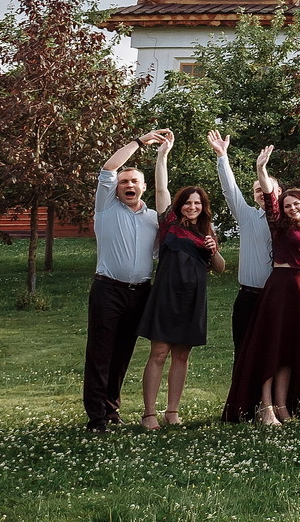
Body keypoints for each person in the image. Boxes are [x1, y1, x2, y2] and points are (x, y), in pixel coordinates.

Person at [135, 133, 225, 429]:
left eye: (197, 203)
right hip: (167, 294)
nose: (192, 207)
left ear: (203, 206)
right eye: (188, 202)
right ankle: (149, 412)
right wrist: (163, 155)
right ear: (180, 205)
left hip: (193, 297)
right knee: (159, 352)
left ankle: (172, 410)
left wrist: (213, 251)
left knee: (182, 355)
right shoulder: (168, 223)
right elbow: (161, 186)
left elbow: (221, 268)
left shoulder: (207, 233)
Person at [222, 182, 300, 424]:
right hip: (278, 289)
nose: (291, 208)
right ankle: (266, 406)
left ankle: (282, 406)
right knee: (271, 349)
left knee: (290, 351)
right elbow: (269, 201)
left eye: (296, 204)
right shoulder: (278, 226)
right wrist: (261, 169)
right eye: (287, 205)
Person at [85, 130, 166, 432]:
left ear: (144, 187)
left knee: (122, 354)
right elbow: (108, 168)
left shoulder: (153, 218)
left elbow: (163, 253)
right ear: (115, 189)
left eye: (134, 181)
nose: (128, 185)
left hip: (140, 293)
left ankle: (111, 410)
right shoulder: (105, 208)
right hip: (108, 290)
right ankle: (96, 419)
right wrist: (140, 142)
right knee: (100, 353)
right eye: (124, 181)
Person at [206, 131, 273, 355]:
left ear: (278, 192)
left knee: (271, 354)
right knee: (243, 352)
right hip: (247, 297)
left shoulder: (289, 224)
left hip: (276, 298)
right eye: (257, 190)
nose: (262, 193)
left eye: (265, 188)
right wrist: (222, 156)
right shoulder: (247, 216)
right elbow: (230, 190)